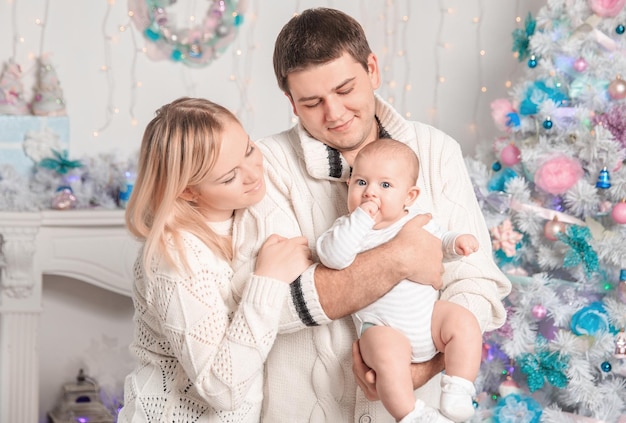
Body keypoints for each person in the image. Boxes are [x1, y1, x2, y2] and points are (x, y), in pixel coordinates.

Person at [231, 7, 511, 422]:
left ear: (373, 70)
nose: (335, 113)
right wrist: (398, 258)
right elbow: (260, 309)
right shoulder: (266, 165)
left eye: (346, 89)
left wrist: (423, 367)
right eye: (311, 102)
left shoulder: (436, 150)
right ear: (290, 102)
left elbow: (479, 283)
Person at [117, 97, 312, 423]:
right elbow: (222, 389)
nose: (253, 174)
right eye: (229, 176)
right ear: (188, 192)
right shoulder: (175, 259)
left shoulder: (244, 215)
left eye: (249, 149)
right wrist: (268, 281)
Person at [316, 138, 481, 422]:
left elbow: (439, 244)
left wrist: (456, 244)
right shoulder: (347, 229)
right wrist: (360, 220)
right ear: (349, 186)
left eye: (385, 185)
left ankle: (458, 387)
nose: (370, 194)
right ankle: (413, 415)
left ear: (409, 196)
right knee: (388, 360)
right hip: (383, 326)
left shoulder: (417, 221)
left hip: (429, 319)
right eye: (361, 183)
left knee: (464, 322)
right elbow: (334, 258)